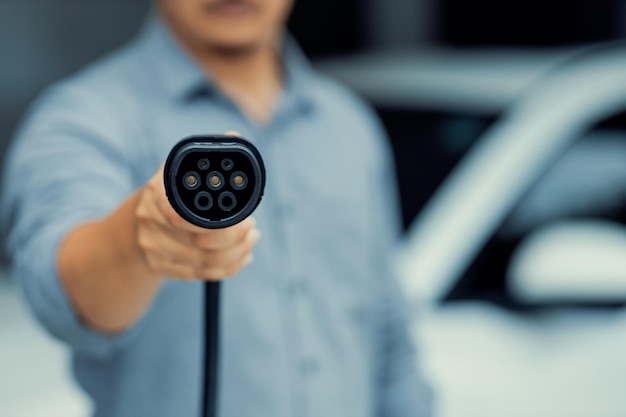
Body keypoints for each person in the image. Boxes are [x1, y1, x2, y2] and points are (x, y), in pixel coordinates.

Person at [1, 0, 432, 416]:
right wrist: (141, 239)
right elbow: (59, 290)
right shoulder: (82, 117)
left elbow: (386, 328)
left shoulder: (348, 124)